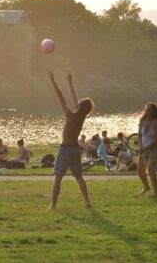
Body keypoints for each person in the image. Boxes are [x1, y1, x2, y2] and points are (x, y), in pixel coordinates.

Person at [47, 70, 94, 210]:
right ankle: (87, 201)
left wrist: (52, 80)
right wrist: (69, 82)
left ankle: (53, 205)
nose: (77, 102)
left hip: (66, 148)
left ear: (79, 107)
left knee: (58, 177)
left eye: (79, 102)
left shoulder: (70, 115)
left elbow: (61, 97)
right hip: (75, 149)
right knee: (79, 176)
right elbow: (75, 101)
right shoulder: (81, 116)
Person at [137, 103, 157, 197]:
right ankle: (146, 187)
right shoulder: (142, 120)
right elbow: (139, 135)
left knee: (150, 168)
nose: (147, 110)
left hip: (154, 148)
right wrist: (141, 146)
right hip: (143, 148)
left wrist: (145, 148)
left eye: (149, 109)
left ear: (154, 111)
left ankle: (156, 193)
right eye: (146, 109)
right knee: (140, 170)